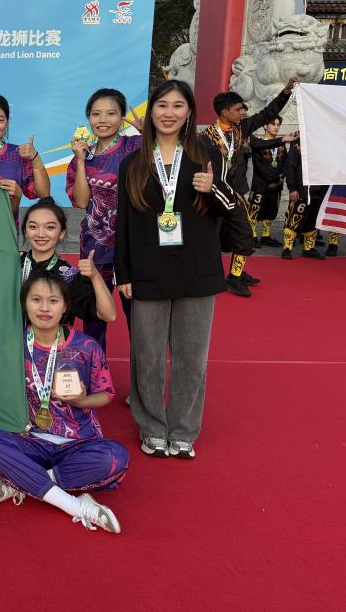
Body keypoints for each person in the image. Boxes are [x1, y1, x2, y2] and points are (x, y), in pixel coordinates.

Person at [116, 79, 236, 460]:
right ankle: (152, 427)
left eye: (178, 106)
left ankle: (183, 431)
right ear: (151, 111)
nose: (169, 113)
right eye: (162, 105)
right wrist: (124, 273)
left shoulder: (206, 154)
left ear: (189, 113)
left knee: (191, 357)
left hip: (197, 270)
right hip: (148, 269)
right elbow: (124, 224)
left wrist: (212, 188)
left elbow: (232, 208)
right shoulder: (133, 163)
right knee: (147, 356)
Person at [0, 272, 127, 533]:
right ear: (24, 304)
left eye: (53, 301)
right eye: (36, 300)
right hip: (28, 439)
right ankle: (75, 505)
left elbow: (106, 393)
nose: (44, 308)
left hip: (77, 443)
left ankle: (22, 480)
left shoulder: (87, 346)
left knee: (115, 457)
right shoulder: (11, 345)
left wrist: (83, 400)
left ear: (65, 306)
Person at [200, 80, 296, 296]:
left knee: (243, 235)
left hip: (237, 196)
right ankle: (209, 276)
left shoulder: (241, 129)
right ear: (224, 112)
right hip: (215, 197)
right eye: (238, 109)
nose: (243, 112)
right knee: (213, 238)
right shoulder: (205, 139)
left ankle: (236, 275)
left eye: (243, 108)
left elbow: (267, 112)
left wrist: (286, 92)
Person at [66, 88, 143, 349]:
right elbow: (80, 201)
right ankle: (94, 370)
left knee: (138, 320)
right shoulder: (82, 157)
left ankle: (142, 375)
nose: (103, 119)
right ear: (88, 117)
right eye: (96, 113)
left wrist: (148, 134)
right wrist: (80, 162)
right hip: (94, 250)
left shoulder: (135, 146)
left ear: (121, 117)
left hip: (132, 249)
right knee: (94, 320)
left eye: (111, 113)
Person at [20, 199, 116, 329]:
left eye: (50, 227)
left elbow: (109, 315)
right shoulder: (12, 265)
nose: (41, 234)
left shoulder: (69, 276)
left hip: (53, 342)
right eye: (33, 227)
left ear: (62, 232)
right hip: (8, 340)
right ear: (25, 231)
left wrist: (95, 276)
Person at [0, 94, 51, 218]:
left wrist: (35, 157)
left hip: (6, 229)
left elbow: (44, 194)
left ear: (7, 122)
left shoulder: (18, 154)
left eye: (0, 120)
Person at [247, 116, 296, 248]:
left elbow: (286, 163)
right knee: (254, 210)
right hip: (260, 184)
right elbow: (259, 165)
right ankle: (252, 236)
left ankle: (265, 236)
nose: (276, 127)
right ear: (265, 126)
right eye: (273, 124)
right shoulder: (258, 142)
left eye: (278, 125)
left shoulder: (281, 144)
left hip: (276, 185)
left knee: (270, 210)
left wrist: (280, 178)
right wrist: (271, 179)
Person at [281, 138, 330, 261]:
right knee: (295, 219)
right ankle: (287, 248)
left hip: (319, 191)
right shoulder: (298, 146)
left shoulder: (323, 148)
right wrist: (292, 188)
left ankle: (309, 249)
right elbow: (290, 168)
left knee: (313, 221)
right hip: (302, 191)